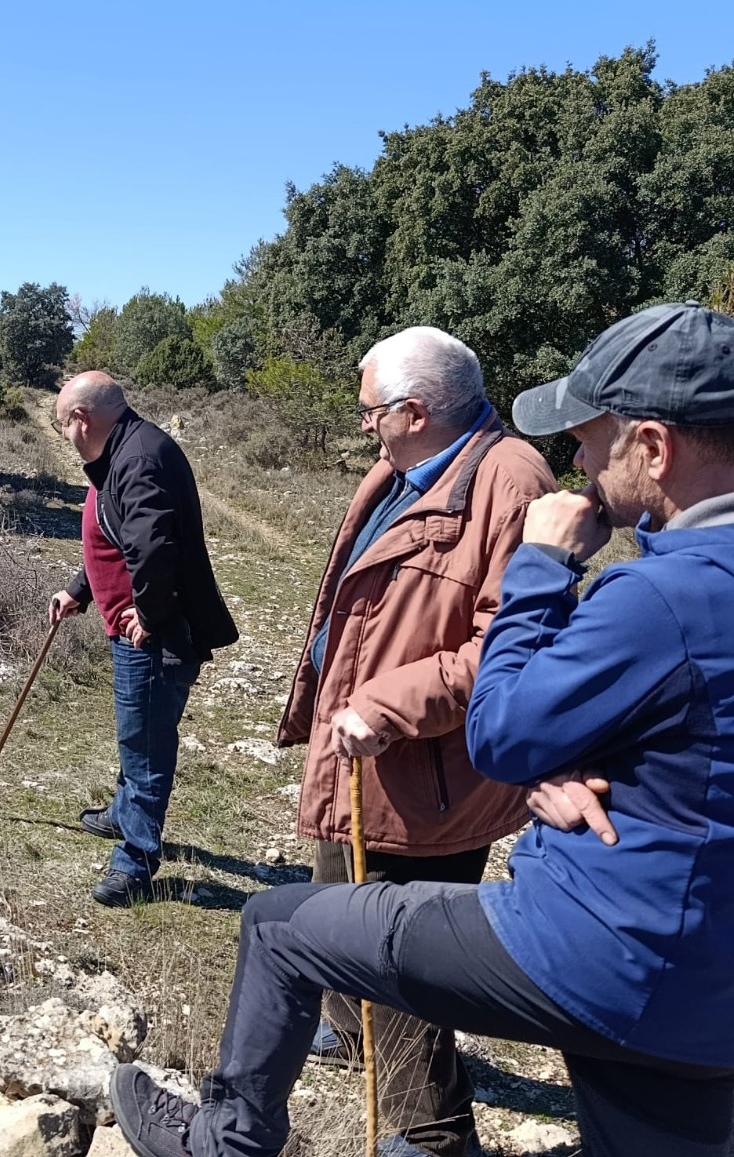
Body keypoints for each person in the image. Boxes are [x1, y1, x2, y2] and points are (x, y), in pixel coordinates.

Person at [108, 301, 734, 1157]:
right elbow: (682, 718)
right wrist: (585, 761)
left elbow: (505, 726)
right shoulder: (670, 581)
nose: (577, 462)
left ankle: (234, 1141)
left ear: (654, 447)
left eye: (590, 439)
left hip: (605, 945)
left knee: (282, 927)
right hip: (701, 985)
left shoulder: (644, 584)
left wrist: (543, 566)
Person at [276, 328, 554, 1155]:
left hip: (424, 769)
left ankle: (431, 1132)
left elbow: (512, 648)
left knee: (397, 950)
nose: (363, 424)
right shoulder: (404, 468)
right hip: (361, 747)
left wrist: (389, 702)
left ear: (417, 410)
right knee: (336, 895)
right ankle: (351, 1030)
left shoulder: (512, 482)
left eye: (371, 411)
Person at [48, 371, 237, 908]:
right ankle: (123, 813)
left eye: (63, 425)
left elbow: (153, 548)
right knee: (138, 733)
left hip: (154, 638)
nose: (65, 435)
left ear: (82, 419)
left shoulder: (137, 460)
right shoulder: (124, 451)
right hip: (134, 629)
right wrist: (79, 590)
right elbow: (114, 536)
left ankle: (135, 860)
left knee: (146, 744)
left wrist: (152, 614)